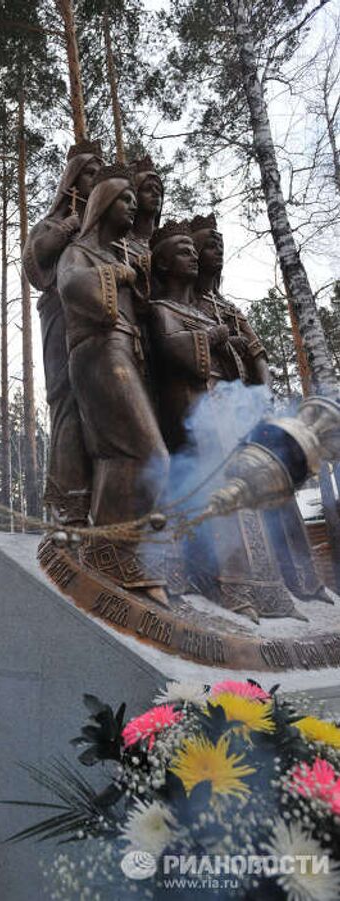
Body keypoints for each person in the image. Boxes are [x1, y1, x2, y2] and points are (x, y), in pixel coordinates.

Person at [149, 220, 304, 620]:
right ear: (164, 265)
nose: (194, 257)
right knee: (216, 491)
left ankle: (268, 590)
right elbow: (176, 351)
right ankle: (229, 585)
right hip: (191, 409)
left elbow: (242, 355)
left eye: (192, 251)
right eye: (184, 251)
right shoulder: (161, 309)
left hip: (223, 408)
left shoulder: (205, 310)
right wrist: (218, 337)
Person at [189, 213, 328, 603]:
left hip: (244, 405)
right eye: (209, 243)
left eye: (220, 243)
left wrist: (260, 397)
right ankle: (234, 579)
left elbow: (257, 353)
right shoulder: (186, 303)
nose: (217, 249)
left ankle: (301, 579)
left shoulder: (231, 309)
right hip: (205, 406)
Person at [57, 164, 169, 600]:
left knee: (118, 457)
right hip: (97, 352)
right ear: (103, 206)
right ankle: (120, 558)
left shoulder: (116, 254)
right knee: (147, 452)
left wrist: (135, 273)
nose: (133, 206)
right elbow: (70, 288)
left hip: (122, 352)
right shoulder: (79, 251)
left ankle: (114, 557)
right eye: (124, 199)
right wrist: (118, 275)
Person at [23, 140, 103, 526]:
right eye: (89, 172)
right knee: (67, 398)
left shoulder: (104, 228)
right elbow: (35, 260)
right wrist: (68, 228)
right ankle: (68, 500)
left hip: (100, 321)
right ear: (72, 178)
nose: (95, 179)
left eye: (98, 173)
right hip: (60, 313)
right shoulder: (54, 221)